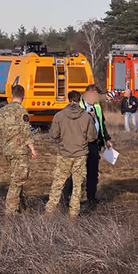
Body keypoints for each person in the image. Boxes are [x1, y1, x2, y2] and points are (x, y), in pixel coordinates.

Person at [45, 90, 97, 220]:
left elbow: (53, 135)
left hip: (64, 153)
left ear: (68, 100)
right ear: (80, 101)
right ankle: (73, 214)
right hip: (80, 154)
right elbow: (92, 138)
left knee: (58, 183)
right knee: (77, 185)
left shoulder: (59, 116)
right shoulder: (86, 117)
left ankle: (49, 211)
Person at [64, 84, 113, 208]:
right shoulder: (77, 106)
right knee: (76, 172)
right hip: (80, 144)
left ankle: (91, 197)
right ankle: (67, 197)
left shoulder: (97, 106)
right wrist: (87, 116)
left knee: (93, 172)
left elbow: (101, 123)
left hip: (94, 144)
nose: (96, 98)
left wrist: (106, 139)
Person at [0, 85, 38, 215]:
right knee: (19, 179)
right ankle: (10, 211)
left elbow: (0, 130)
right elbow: (26, 132)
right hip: (19, 150)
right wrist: (32, 149)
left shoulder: (1, 111)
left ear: (11, 95)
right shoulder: (22, 111)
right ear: (23, 96)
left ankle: (22, 207)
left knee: (16, 177)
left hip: (7, 149)